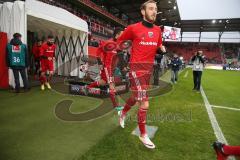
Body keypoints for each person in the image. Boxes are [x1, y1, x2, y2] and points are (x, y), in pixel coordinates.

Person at [117, 0, 166, 149]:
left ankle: (123, 113)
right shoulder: (133, 28)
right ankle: (143, 135)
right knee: (144, 102)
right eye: (151, 8)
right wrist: (123, 63)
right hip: (135, 69)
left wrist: (161, 50)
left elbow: (158, 46)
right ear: (143, 12)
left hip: (148, 71)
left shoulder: (158, 30)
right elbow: (120, 44)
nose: (154, 11)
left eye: (155, 9)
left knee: (135, 98)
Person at [86, 27, 124, 112]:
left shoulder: (118, 44)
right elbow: (98, 51)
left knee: (102, 82)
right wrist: (99, 63)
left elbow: (118, 55)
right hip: (107, 68)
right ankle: (116, 106)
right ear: (117, 35)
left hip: (111, 68)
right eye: (122, 35)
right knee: (112, 86)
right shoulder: (108, 43)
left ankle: (87, 87)